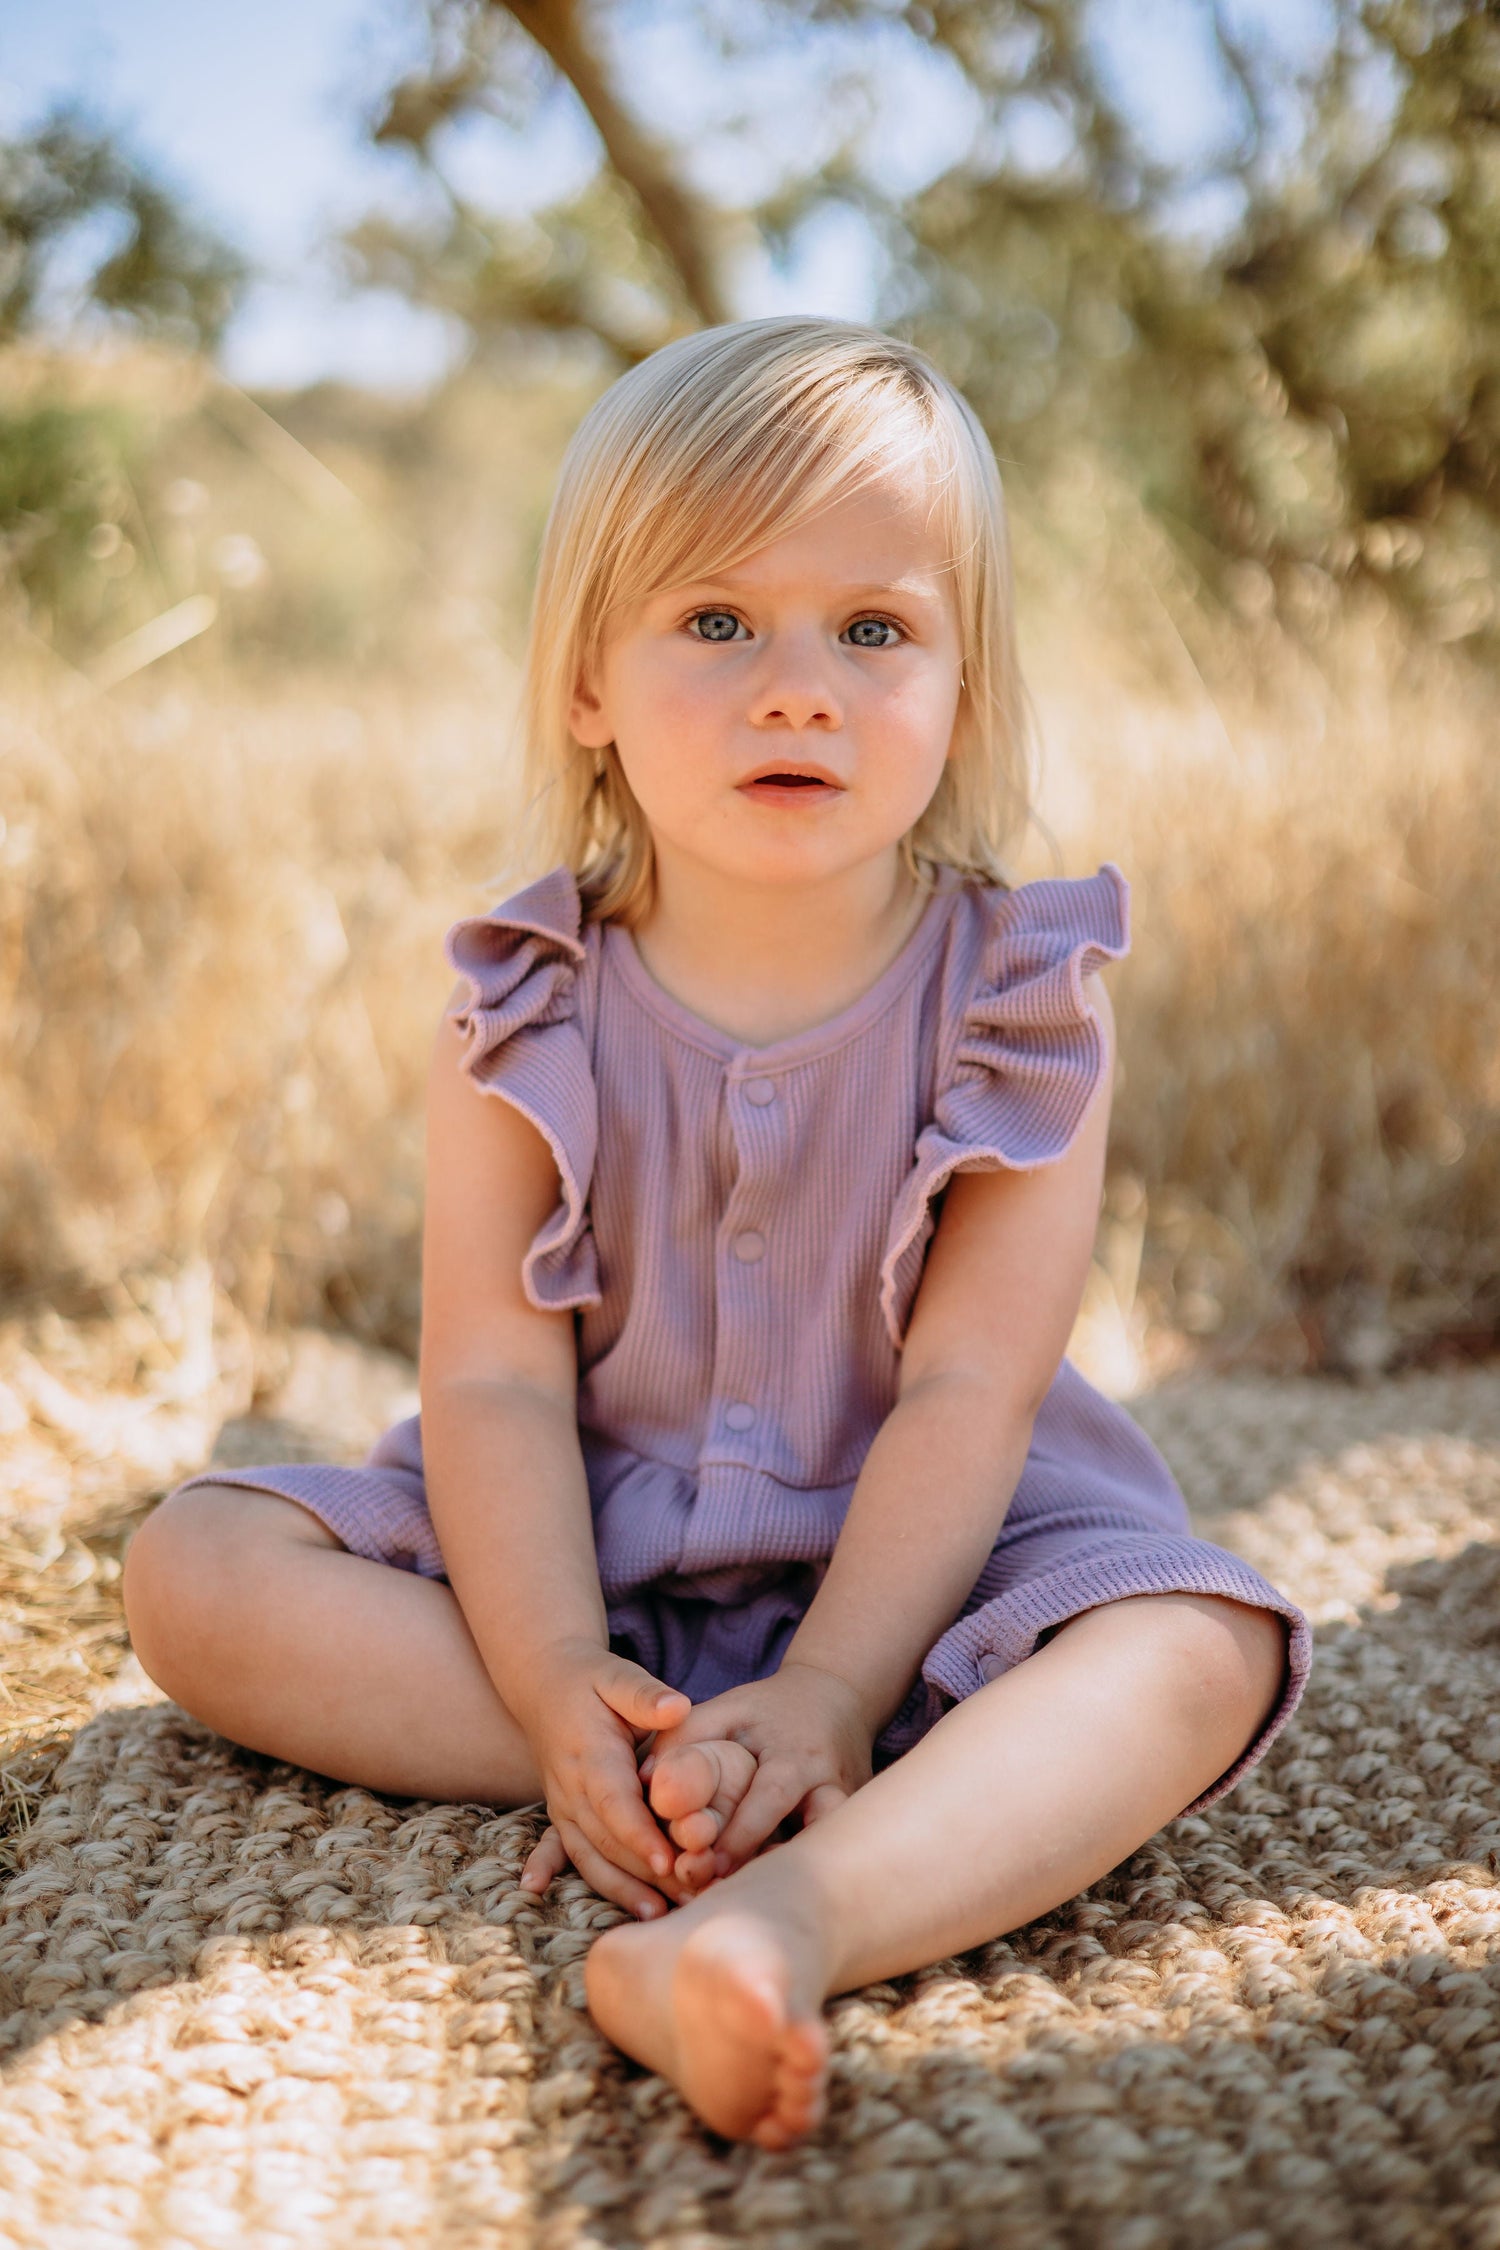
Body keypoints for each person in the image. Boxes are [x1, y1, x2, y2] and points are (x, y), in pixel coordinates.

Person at [123, 317, 1311, 2152]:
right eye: (717, 620)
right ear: (588, 678)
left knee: (1199, 1646)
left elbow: (972, 1392)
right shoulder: (522, 1007)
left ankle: (777, 1918)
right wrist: (549, 1678)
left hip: (938, 1566)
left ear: (965, 688)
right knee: (191, 1569)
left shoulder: (1020, 1001)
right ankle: (660, 1758)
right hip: (579, 1555)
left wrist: (836, 1676)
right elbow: (495, 1387)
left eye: (875, 630)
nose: (799, 689)